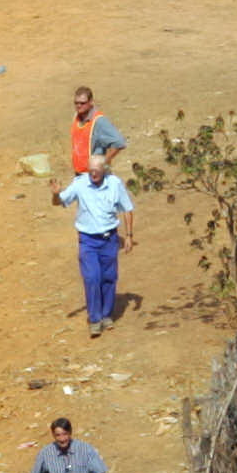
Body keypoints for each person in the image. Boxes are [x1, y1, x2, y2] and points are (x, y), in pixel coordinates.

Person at [51, 151, 135, 338]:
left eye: (97, 171)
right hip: (88, 240)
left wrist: (128, 235)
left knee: (109, 277)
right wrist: (56, 195)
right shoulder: (80, 184)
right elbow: (60, 201)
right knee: (91, 278)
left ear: (105, 169)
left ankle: (106, 315)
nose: (93, 174)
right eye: (91, 171)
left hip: (109, 239)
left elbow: (127, 209)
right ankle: (95, 319)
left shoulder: (114, 184)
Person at [69, 85, 126, 172]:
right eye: (76, 103)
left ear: (91, 102)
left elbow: (119, 142)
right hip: (80, 174)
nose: (79, 106)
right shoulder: (76, 118)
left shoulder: (99, 121)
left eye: (82, 103)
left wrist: (104, 162)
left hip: (95, 176)